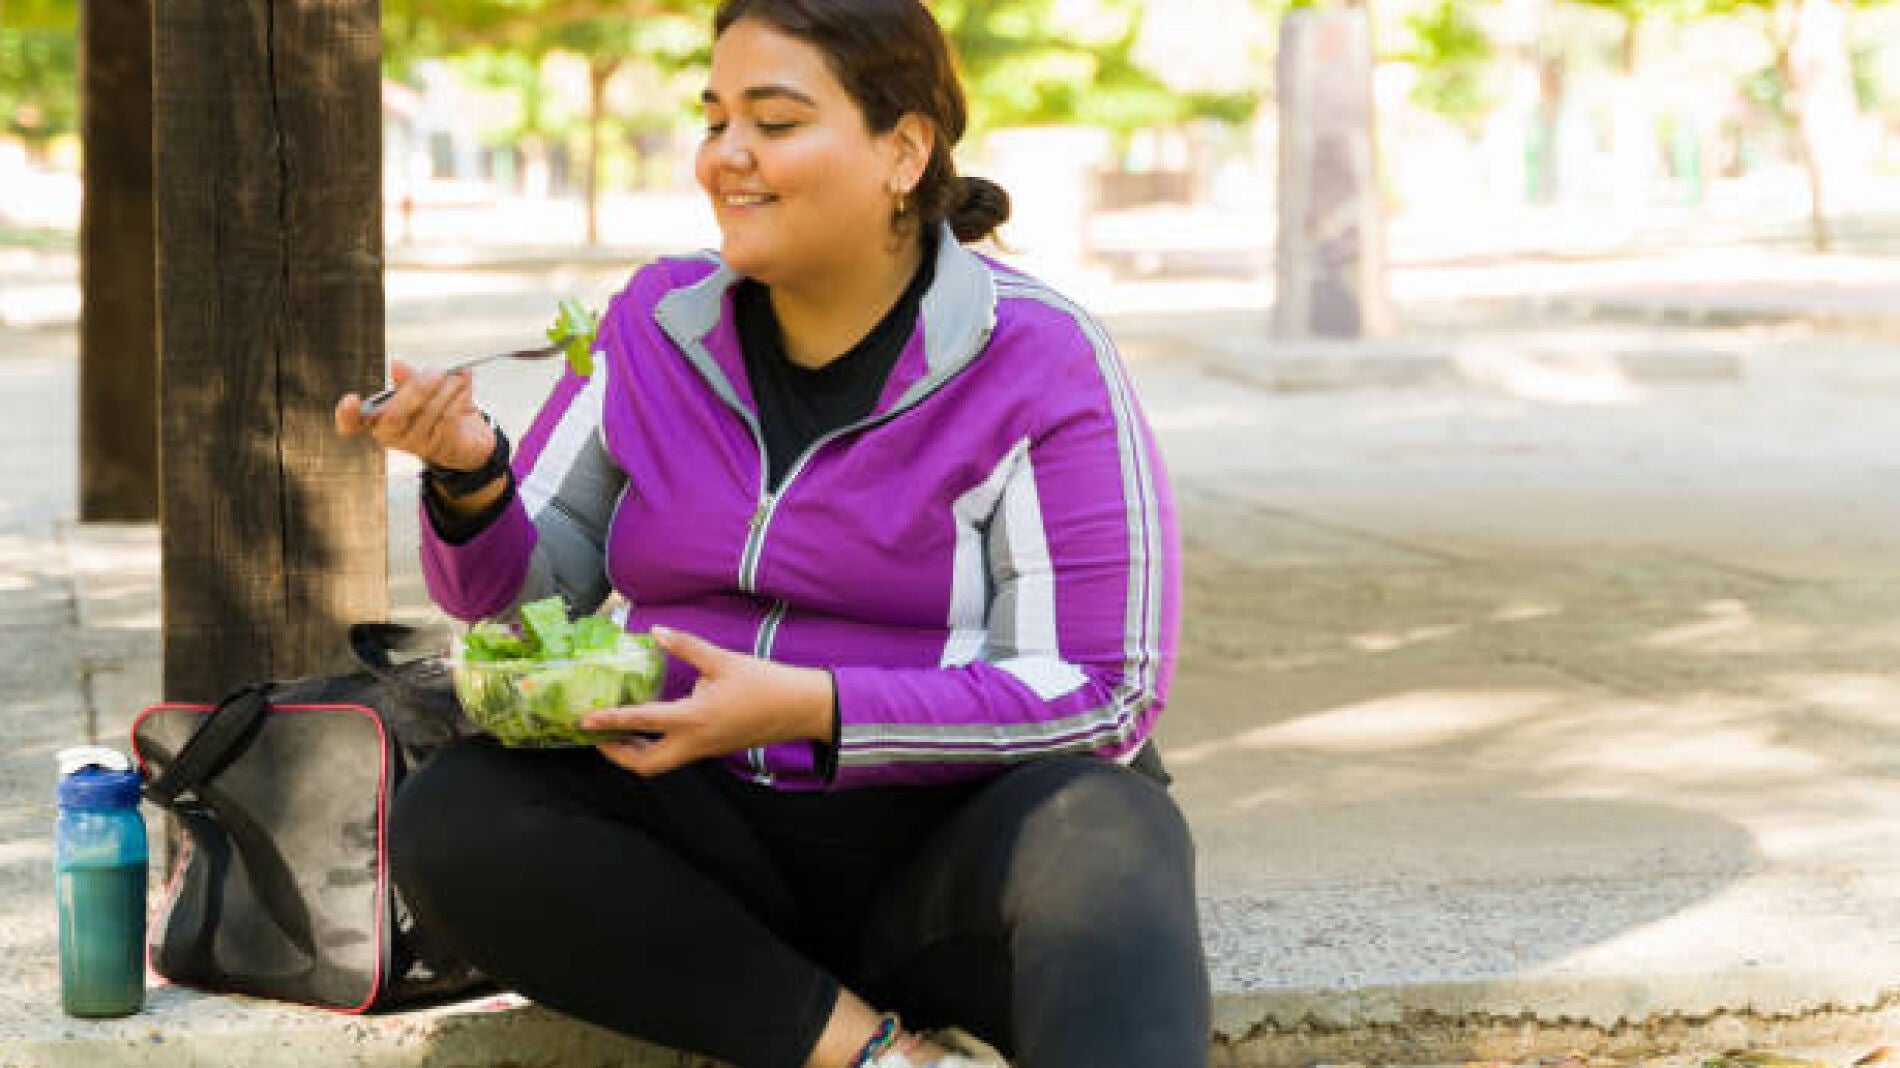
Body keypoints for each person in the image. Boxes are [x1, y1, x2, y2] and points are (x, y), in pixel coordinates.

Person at [334, 1, 1208, 1065]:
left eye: (775, 122)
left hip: (945, 851)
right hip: (713, 858)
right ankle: (875, 1056)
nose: (725, 157)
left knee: (1111, 836)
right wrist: (471, 479)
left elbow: (1101, 686)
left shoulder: (1036, 356)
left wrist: (815, 709)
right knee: (459, 817)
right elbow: (530, 616)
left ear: (903, 149)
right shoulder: (655, 323)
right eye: (714, 119)